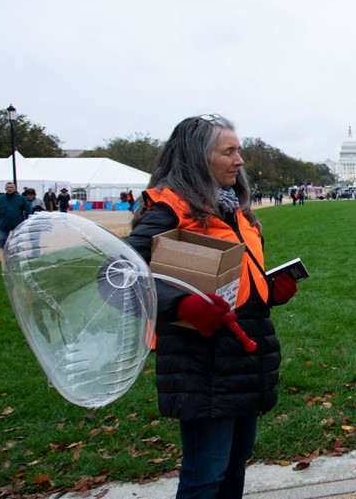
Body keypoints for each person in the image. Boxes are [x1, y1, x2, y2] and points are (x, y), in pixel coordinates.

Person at [126, 114, 298, 499]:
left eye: (239, 151)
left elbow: (232, 279)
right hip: (201, 361)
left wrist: (269, 291)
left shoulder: (233, 209)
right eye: (229, 152)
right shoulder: (171, 209)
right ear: (197, 157)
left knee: (234, 467)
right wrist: (182, 305)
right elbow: (120, 274)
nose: (240, 161)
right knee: (205, 475)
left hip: (243, 353)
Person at [0, 183, 34, 249]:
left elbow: (28, 210)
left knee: (18, 241)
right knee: (2, 239)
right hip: (3, 223)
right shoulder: (0, 199)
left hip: (17, 223)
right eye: (8, 187)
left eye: (11, 187)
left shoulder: (21, 198)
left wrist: (29, 220)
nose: (9, 189)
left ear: (15, 188)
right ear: (5, 188)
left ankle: (18, 255)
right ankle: (6, 254)